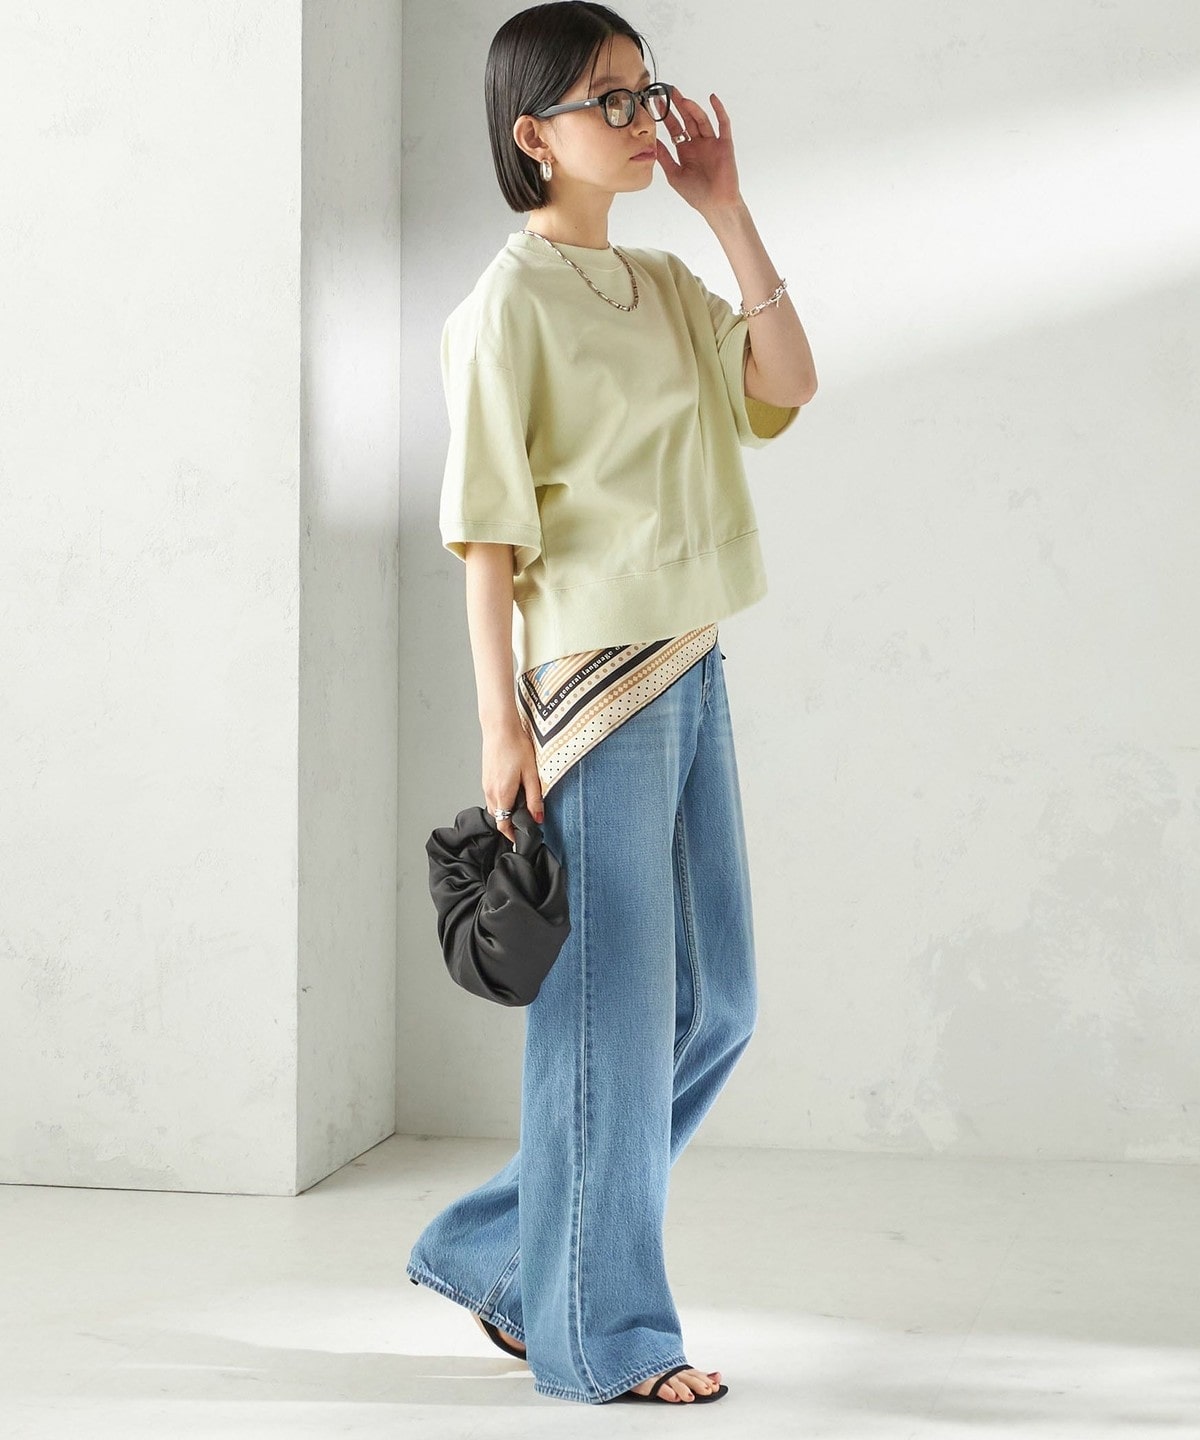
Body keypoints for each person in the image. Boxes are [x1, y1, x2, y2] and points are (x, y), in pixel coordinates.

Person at [406, 0, 817, 1408]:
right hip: (588, 689)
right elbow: (486, 536)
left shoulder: (663, 283)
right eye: (612, 99)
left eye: (648, 90)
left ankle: (500, 1253)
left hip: (689, 659)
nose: (645, 119)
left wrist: (727, 210)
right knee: (612, 1027)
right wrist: (500, 726)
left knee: (718, 1003)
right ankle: (605, 1337)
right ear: (535, 135)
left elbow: (788, 382)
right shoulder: (504, 306)